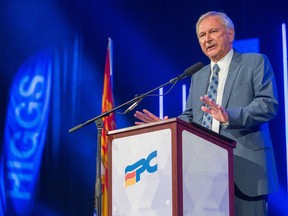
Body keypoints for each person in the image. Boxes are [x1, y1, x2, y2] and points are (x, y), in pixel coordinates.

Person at [134, 11, 279, 215]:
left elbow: (268, 104)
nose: (207, 39)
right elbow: (190, 116)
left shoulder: (255, 62)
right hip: (206, 172)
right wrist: (167, 126)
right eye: (202, 35)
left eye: (213, 32)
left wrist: (229, 116)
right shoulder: (199, 76)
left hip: (246, 169)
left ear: (230, 34)